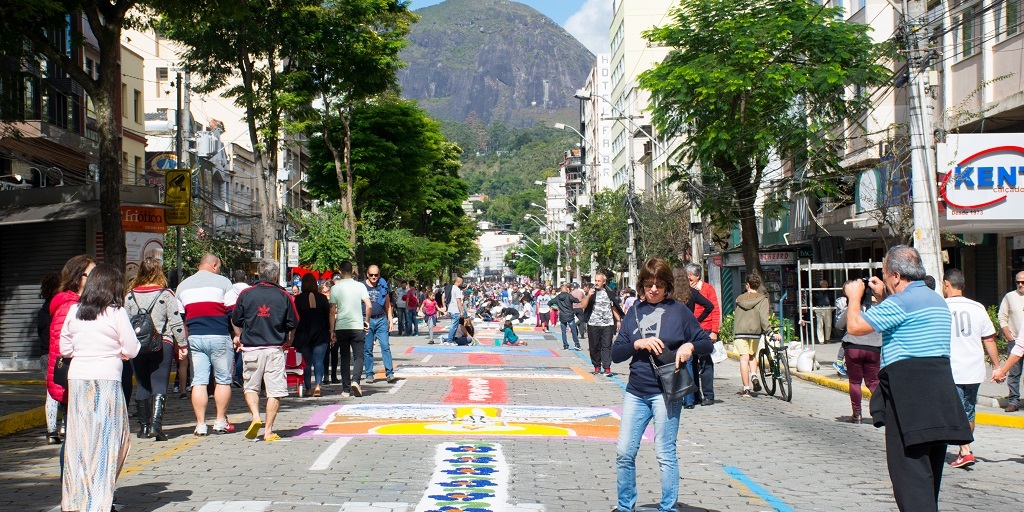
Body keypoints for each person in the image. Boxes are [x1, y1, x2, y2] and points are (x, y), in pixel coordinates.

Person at [843, 245, 972, 512]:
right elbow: (905, 326)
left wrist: (854, 297)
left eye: (885, 273)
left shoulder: (900, 303)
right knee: (928, 481)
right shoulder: (936, 300)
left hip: (910, 399)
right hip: (939, 397)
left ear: (897, 276)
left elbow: (855, 327)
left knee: (910, 483)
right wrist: (883, 296)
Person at [611, 258, 713, 512]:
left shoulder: (679, 311)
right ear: (642, 286)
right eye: (648, 284)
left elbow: (706, 342)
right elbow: (616, 354)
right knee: (624, 452)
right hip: (636, 391)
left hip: (666, 392)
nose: (653, 289)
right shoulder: (634, 312)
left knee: (664, 452)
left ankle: (668, 507)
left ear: (667, 285)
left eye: (658, 284)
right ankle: (625, 507)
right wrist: (637, 344)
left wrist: (690, 346)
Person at [59, 263, 141, 511]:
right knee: (110, 441)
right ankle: (98, 501)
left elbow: (65, 349)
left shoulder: (74, 311)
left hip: (78, 380)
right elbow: (133, 349)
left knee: (79, 442)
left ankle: (76, 501)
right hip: (107, 380)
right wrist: (117, 352)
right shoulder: (116, 313)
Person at [232, 259, 299, 442]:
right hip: (274, 349)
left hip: (251, 349)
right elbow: (293, 321)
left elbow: (236, 319)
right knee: (275, 391)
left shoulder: (246, 294)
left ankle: (255, 416)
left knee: (250, 387)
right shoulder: (284, 295)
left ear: (258, 274)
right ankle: (268, 431)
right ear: (275, 275)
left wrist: (239, 334)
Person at [942, 268, 998, 468]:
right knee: (968, 410)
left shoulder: (941, 307)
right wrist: (997, 367)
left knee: (953, 411)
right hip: (974, 369)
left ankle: (965, 450)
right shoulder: (978, 307)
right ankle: (964, 450)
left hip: (950, 369)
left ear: (946, 284)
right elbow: (989, 339)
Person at [125, 257, 186, 441]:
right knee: (159, 384)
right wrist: (182, 344)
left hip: (137, 346)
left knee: (142, 384)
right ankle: (156, 426)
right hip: (162, 344)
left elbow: (125, 322)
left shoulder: (130, 295)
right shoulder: (165, 294)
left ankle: (143, 428)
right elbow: (176, 321)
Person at [176, 253, 235, 436]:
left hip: (195, 338)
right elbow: (232, 312)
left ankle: (200, 424)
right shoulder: (224, 282)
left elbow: (180, 318)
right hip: (219, 336)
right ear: (215, 265)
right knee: (223, 379)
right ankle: (220, 421)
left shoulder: (183, 286)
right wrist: (238, 335)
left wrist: (182, 343)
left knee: (199, 381)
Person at [47, 255, 95, 447]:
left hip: (79, 378)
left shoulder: (78, 303)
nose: (94, 279)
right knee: (75, 442)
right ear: (77, 278)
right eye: (90, 275)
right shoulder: (69, 306)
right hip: (74, 379)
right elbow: (63, 348)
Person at [834, 279, 882, 424]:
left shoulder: (854, 308)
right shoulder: (879, 307)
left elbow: (839, 325)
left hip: (853, 347)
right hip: (874, 348)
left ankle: (857, 414)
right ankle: (882, 411)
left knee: (855, 382)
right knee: (873, 382)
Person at [328, 261, 372, 397]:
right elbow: (369, 306)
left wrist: (332, 330)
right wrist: (367, 321)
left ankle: (346, 389)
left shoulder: (335, 288)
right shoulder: (360, 286)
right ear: (352, 270)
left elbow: (331, 311)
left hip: (341, 326)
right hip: (357, 326)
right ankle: (356, 381)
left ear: (340, 271)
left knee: (345, 357)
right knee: (359, 356)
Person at [686, 263, 721, 406]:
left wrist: (714, 331)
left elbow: (715, 309)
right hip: (690, 331)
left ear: (698, 276)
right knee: (691, 362)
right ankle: (695, 395)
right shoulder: (686, 290)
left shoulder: (707, 289)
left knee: (705, 362)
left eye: (690, 277)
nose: (689, 280)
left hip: (705, 329)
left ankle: (708, 395)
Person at [733, 274, 772, 397]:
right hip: (755, 332)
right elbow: (764, 318)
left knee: (743, 359)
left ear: (747, 284)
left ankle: (746, 389)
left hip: (740, 332)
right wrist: (769, 331)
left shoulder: (739, 299)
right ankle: (754, 375)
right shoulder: (762, 299)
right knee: (752, 356)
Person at [294, 273, 331, 398]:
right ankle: (318, 386)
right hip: (321, 332)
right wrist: (331, 331)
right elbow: (328, 315)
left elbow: (295, 318)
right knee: (319, 361)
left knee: (306, 362)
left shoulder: (298, 299)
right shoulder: (322, 298)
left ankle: (308, 388)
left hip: (304, 333)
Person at [580, 270, 623, 376]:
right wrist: (588, 295)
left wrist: (618, 320)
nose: (597, 282)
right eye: (595, 280)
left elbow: (613, 307)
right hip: (593, 323)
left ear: (604, 282)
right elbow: (583, 306)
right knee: (594, 346)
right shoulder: (591, 292)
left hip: (607, 324)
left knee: (607, 345)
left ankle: (607, 368)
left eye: (599, 281)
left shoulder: (609, 292)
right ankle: (596, 367)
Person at [37, 272, 62, 444]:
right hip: (59, 353)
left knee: (51, 393)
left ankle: (51, 430)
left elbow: (40, 332)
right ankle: (65, 426)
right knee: (67, 390)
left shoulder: (42, 311)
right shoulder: (60, 308)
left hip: (45, 354)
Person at [364, 265, 396, 383]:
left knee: (385, 346)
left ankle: (390, 373)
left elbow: (387, 304)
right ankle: (369, 374)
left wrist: (390, 320)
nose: (374, 277)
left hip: (381, 319)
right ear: (367, 274)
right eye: (371, 275)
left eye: (376, 275)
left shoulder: (382, 285)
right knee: (368, 348)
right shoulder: (362, 286)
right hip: (368, 320)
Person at [997, 271, 1024, 412]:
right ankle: (1013, 401)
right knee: (1014, 373)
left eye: (1023, 282)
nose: (1020, 284)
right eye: (1018, 282)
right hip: (1015, 341)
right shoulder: (1010, 297)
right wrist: (1008, 335)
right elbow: (1002, 316)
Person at [224, 269, 250, 389]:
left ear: (233, 279)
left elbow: (229, 312)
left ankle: (233, 374)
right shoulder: (250, 290)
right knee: (243, 349)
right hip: (246, 323)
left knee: (233, 350)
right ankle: (239, 376)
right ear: (245, 278)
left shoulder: (229, 291)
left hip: (230, 325)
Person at [554, 284, 581, 349]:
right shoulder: (569, 296)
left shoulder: (558, 297)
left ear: (561, 290)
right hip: (570, 315)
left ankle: (565, 345)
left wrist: (556, 307)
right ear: (567, 290)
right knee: (573, 330)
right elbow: (576, 300)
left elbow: (550, 302)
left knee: (563, 332)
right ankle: (577, 344)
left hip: (562, 316)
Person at [444, 276, 465, 345]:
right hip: (455, 310)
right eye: (461, 282)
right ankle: (449, 341)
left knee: (453, 325)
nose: (461, 284)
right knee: (454, 326)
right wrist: (461, 311)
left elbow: (444, 296)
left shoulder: (450, 288)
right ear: (459, 282)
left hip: (450, 308)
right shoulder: (457, 289)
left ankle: (451, 340)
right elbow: (458, 301)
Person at [813, 279, 834, 343]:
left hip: (827, 307)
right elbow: (813, 299)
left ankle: (827, 339)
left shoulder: (829, 291)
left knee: (828, 324)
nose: (827, 285)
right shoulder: (816, 291)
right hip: (819, 308)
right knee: (819, 324)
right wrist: (813, 307)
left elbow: (832, 298)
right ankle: (821, 340)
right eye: (825, 284)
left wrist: (832, 306)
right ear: (821, 285)